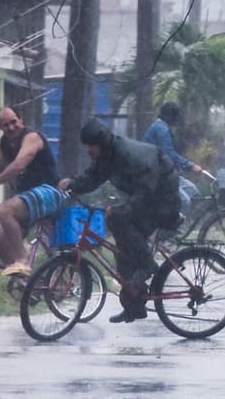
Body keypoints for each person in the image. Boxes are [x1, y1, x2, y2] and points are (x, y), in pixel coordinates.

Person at [59, 118, 181, 323]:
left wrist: (124, 209)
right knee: (123, 250)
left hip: (163, 200)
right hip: (147, 198)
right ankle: (134, 305)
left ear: (102, 143)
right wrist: (72, 183)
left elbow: (146, 189)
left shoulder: (131, 155)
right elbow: (93, 177)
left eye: (91, 146)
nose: (89, 150)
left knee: (118, 218)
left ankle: (147, 265)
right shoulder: (107, 156)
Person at [0, 106, 62, 277]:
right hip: (28, 198)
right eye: (5, 124)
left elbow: (19, 164)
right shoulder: (4, 143)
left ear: (21, 120)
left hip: (50, 192)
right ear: (0, 127)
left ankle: (22, 260)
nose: (11, 127)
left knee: (5, 209)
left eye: (14, 122)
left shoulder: (32, 137)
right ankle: (29, 282)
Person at [142, 102, 204, 213]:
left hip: (167, 173)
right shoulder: (161, 129)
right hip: (158, 175)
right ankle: (170, 228)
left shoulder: (161, 127)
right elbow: (168, 153)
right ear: (171, 116)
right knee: (184, 201)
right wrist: (190, 165)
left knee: (192, 191)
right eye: (177, 117)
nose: (178, 120)